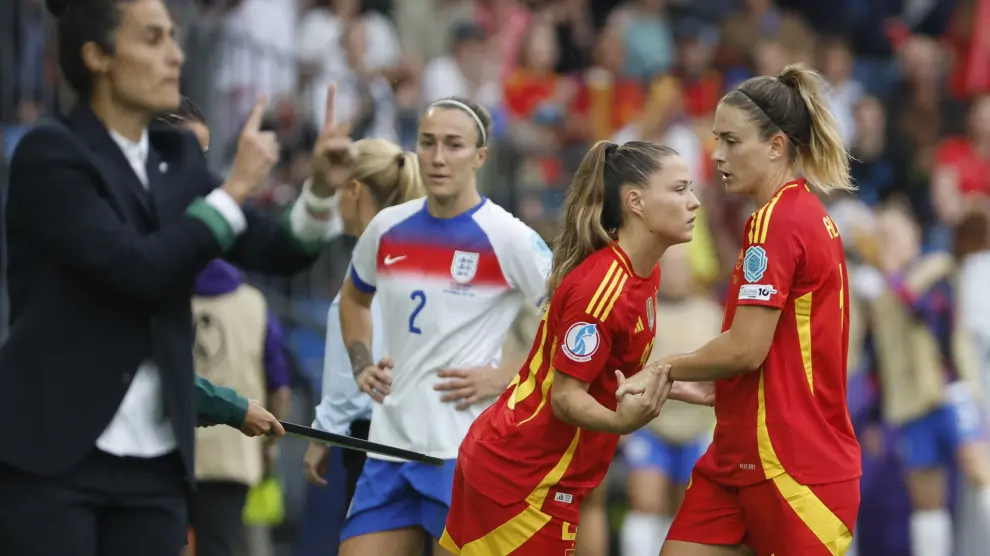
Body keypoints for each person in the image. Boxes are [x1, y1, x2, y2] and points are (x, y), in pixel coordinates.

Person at [0, 0, 342, 553]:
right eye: (153, 38)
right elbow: (136, 270)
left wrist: (321, 191)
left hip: (155, 467)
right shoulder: (51, 153)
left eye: (174, 38)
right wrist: (233, 190)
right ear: (97, 57)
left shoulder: (176, 159)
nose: (175, 55)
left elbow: (277, 249)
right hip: (53, 460)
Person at [441, 139, 700, 555]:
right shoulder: (602, 287)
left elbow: (607, 369)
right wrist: (620, 422)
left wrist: (668, 383)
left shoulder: (644, 274)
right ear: (635, 202)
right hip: (524, 479)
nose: (694, 201)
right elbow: (565, 397)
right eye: (679, 189)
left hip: (541, 475)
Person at [657, 64, 862, 556]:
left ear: (775, 146)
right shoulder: (793, 214)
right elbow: (772, 347)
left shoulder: (778, 222)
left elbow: (745, 349)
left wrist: (661, 368)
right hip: (739, 455)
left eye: (731, 141)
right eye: (716, 140)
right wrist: (729, 386)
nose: (717, 154)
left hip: (793, 467)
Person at [337, 96, 552, 556]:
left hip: (463, 455)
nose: (437, 157)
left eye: (454, 145)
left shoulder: (509, 236)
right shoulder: (387, 227)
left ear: (480, 156)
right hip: (388, 452)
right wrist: (360, 362)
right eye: (427, 143)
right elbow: (354, 298)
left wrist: (507, 375)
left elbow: (572, 316)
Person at [854, 202, 990, 556]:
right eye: (882, 235)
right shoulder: (878, 292)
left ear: (913, 232)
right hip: (910, 404)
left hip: (950, 391)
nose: (888, 242)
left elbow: (931, 315)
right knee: (927, 500)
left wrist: (892, 279)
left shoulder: (936, 268)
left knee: (980, 471)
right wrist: (873, 418)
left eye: (893, 233)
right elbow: (875, 357)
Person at [620, 245, 718, 556]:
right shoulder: (643, 314)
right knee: (646, 505)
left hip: (699, 428)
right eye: (670, 266)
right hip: (650, 425)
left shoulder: (711, 314)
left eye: (682, 265)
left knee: (687, 512)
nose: (677, 273)